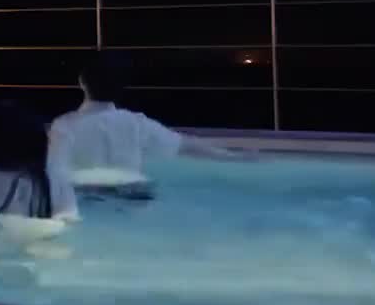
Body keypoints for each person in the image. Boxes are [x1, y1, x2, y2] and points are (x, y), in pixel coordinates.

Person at [48, 52, 252, 198]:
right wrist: (237, 158)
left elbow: (54, 176)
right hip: (133, 200)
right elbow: (188, 145)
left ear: (81, 82)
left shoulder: (64, 127)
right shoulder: (137, 124)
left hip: (87, 202)